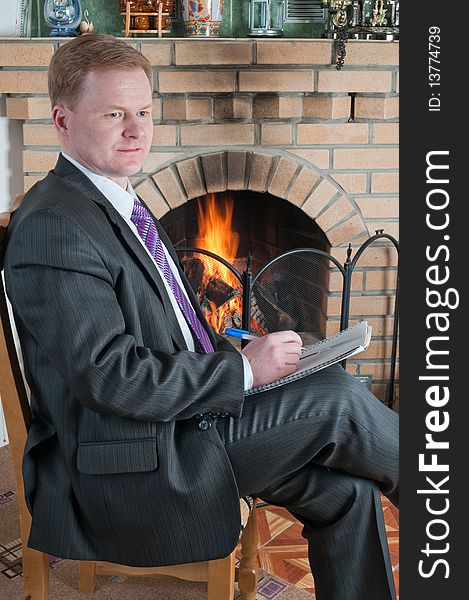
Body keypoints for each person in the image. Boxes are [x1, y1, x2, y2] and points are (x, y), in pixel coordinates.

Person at [4, 34, 399, 600]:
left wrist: (243, 355)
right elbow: (110, 376)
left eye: (143, 112)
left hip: (177, 421)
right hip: (133, 461)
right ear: (62, 121)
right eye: (114, 114)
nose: (137, 130)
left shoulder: (114, 201)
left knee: (346, 490)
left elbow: (170, 326)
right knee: (337, 400)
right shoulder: (55, 225)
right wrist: (243, 375)